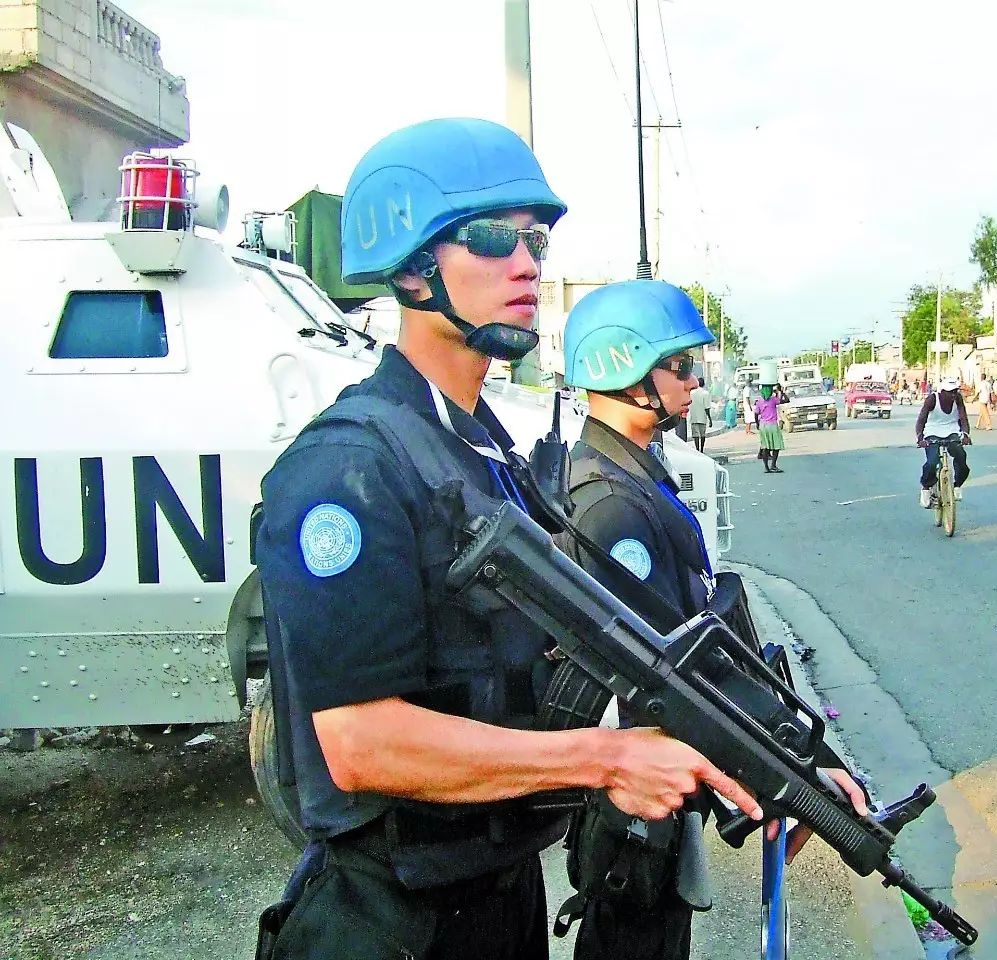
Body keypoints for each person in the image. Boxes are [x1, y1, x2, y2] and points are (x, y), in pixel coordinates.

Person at [252, 119, 763, 960]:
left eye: (536, 241)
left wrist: (767, 764)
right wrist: (602, 759)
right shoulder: (350, 468)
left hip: (500, 900)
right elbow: (359, 742)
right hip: (393, 922)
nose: (528, 264)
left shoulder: (486, 453)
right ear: (414, 268)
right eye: (493, 240)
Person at [558, 280, 868, 960]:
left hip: (660, 792)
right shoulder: (609, 504)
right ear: (626, 369)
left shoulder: (634, 472)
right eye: (679, 366)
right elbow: (680, 675)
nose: (694, 380)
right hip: (637, 804)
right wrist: (798, 770)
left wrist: (809, 764)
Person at [916, 376, 972, 508]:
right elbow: (921, 420)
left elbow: (963, 418)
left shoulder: (957, 399)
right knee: (932, 461)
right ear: (942, 392)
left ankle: (957, 485)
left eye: (955, 391)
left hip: (952, 430)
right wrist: (920, 438)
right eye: (950, 392)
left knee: (961, 456)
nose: (953, 394)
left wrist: (965, 434)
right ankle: (926, 487)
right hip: (932, 432)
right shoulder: (932, 399)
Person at [755, 382, 789, 472]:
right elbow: (786, 400)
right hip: (772, 425)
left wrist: (757, 424)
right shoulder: (773, 400)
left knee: (765, 447)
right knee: (776, 446)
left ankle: (766, 467)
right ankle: (773, 465)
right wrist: (781, 391)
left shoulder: (759, 401)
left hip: (763, 425)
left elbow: (756, 414)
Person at [687, 376, 712, 453]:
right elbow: (707, 407)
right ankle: (701, 449)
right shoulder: (705, 393)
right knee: (702, 434)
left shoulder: (691, 393)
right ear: (704, 384)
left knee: (695, 434)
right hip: (702, 416)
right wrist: (710, 419)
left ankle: (697, 449)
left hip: (693, 416)